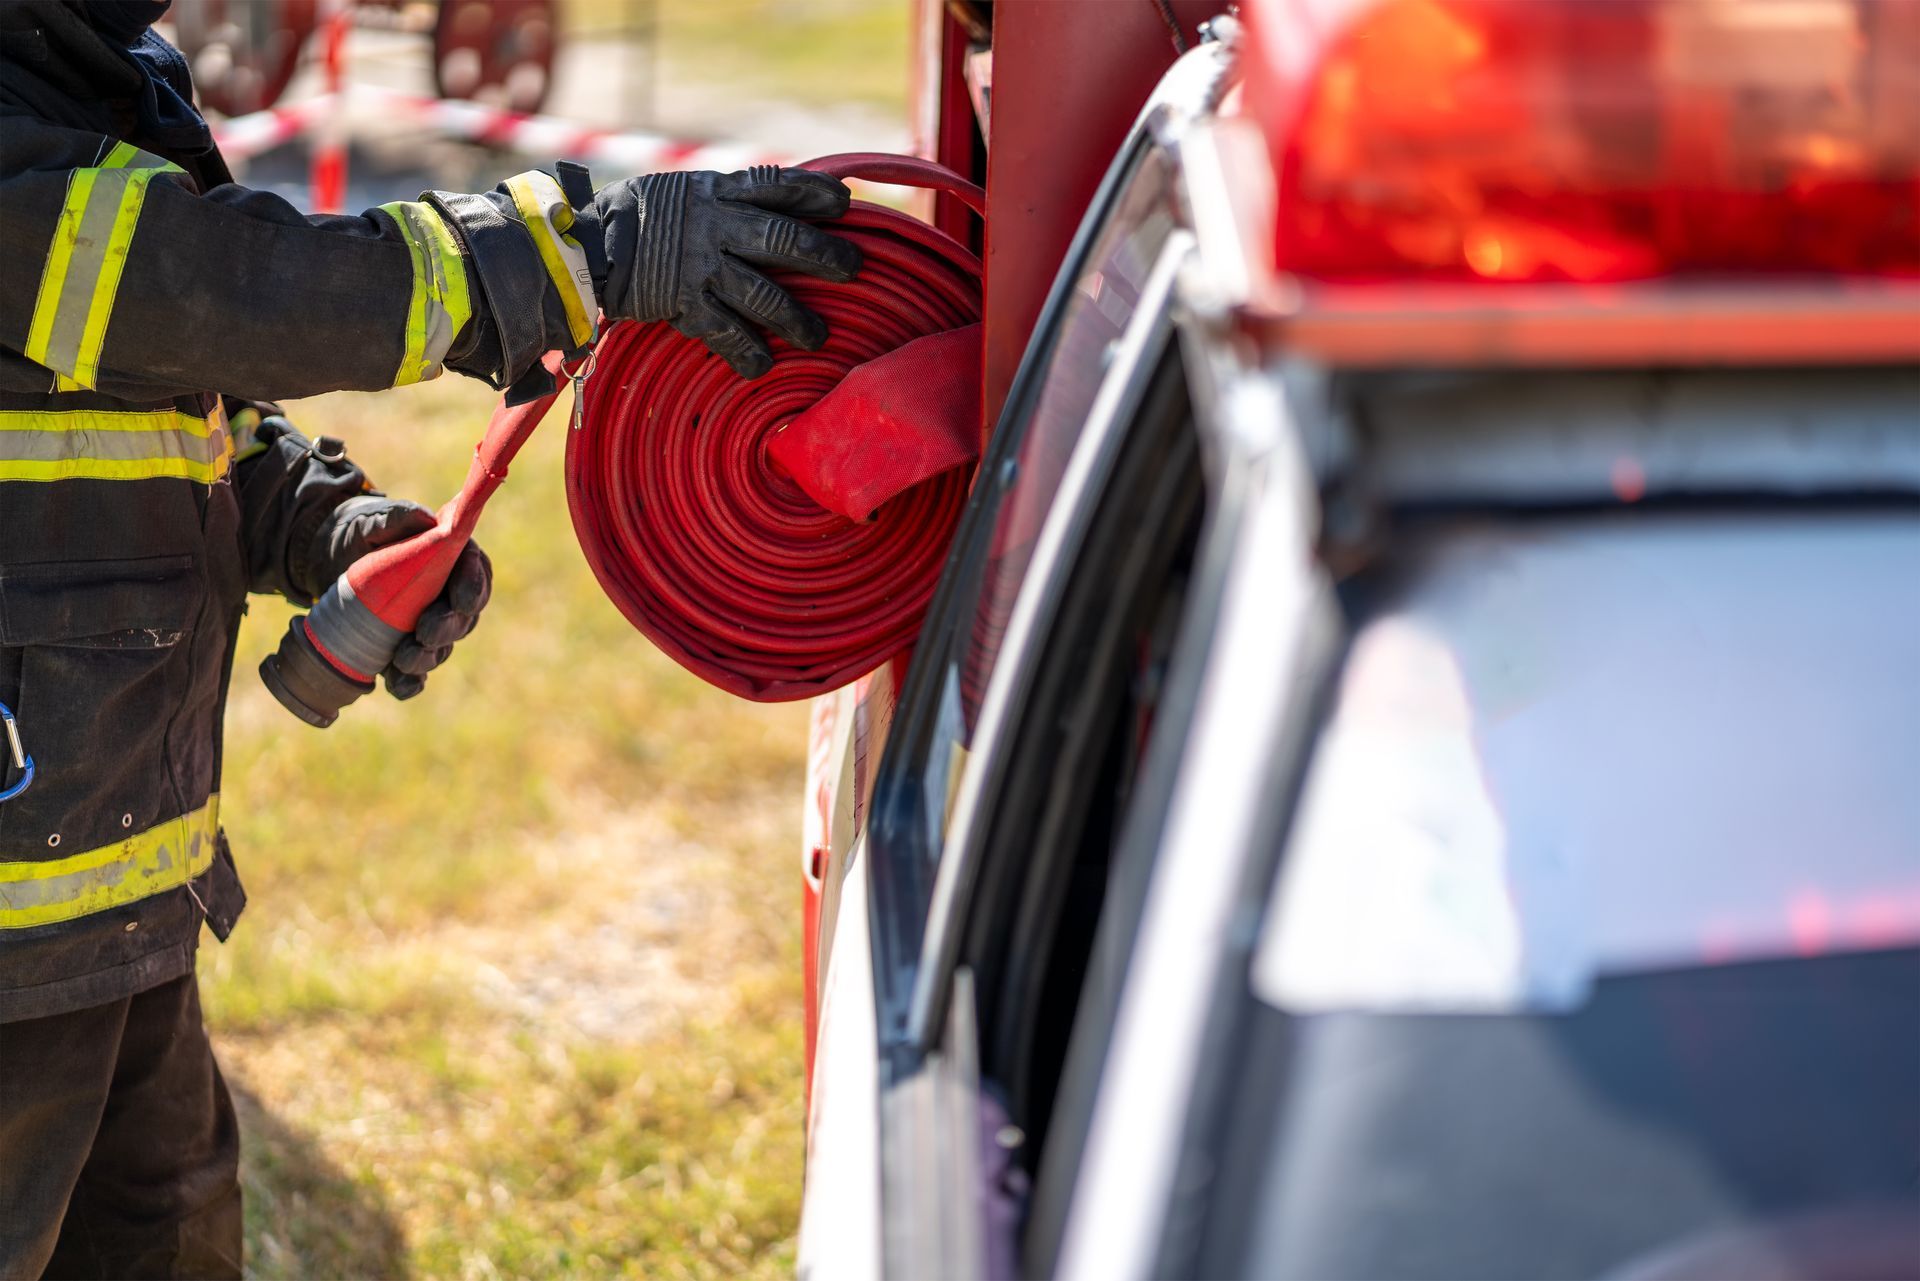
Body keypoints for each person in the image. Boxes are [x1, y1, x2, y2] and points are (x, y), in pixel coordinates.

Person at [0, 2, 862, 1275]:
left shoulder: (91, 82)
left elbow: (168, 393)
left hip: (115, 887)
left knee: (167, 1228)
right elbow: (235, 293)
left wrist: (320, 525)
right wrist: (576, 255)